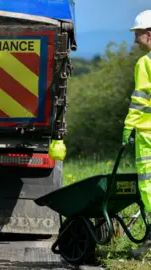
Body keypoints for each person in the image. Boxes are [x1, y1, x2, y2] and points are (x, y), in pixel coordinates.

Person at [121, 10, 151, 259]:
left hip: (148, 134)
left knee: (149, 187)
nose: (135, 40)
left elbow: (140, 99)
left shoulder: (146, 63)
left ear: (150, 35)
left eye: (138, 34)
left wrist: (128, 127)